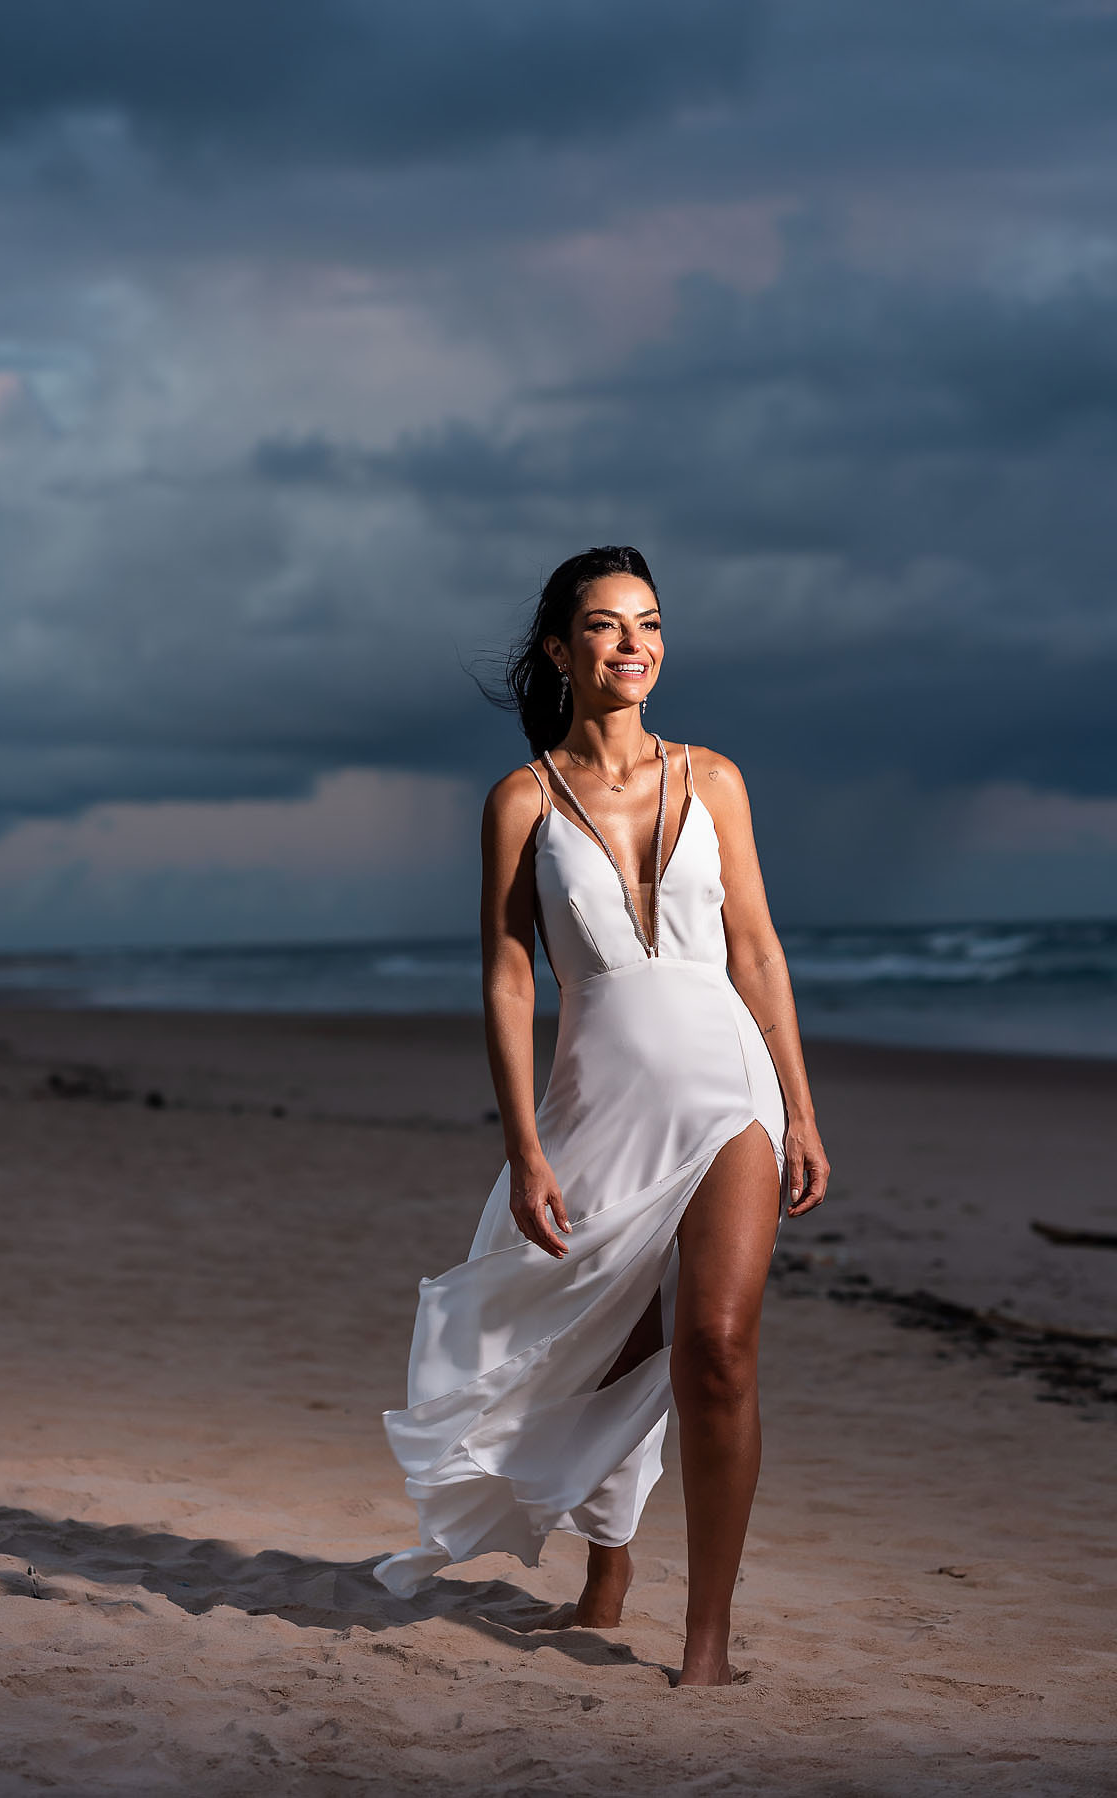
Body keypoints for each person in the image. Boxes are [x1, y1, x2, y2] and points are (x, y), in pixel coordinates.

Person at [375, 544, 830, 1686]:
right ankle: (606, 1575)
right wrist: (523, 1145)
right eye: (607, 625)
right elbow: (509, 977)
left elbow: (757, 951)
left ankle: (708, 1639)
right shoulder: (522, 799)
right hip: (594, 1105)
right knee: (606, 1346)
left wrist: (804, 1111)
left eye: (651, 624)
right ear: (558, 648)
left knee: (716, 1351)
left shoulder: (715, 777)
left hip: (729, 1089)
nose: (635, 644)